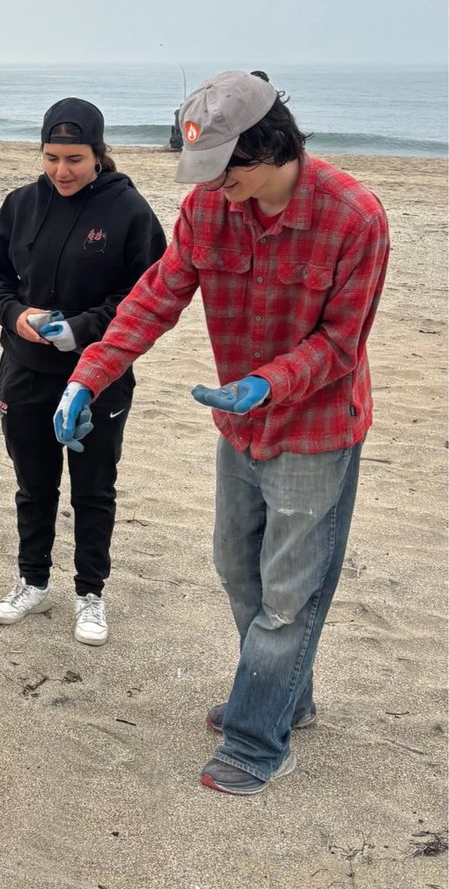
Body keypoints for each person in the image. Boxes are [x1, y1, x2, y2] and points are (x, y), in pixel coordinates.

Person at [54, 70, 389, 793]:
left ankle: (257, 738)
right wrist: (90, 374)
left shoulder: (355, 216)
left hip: (317, 426)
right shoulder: (209, 208)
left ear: (271, 147)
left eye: (226, 168)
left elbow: (341, 342)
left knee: (288, 593)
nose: (212, 185)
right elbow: (156, 296)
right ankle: (283, 698)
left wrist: (267, 382)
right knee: (237, 569)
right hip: (238, 429)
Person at [0, 98, 167, 645]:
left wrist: (83, 328)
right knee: (33, 483)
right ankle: (32, 581)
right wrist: (18, 316)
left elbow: (145, 296)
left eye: (75, 158)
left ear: (99, 155)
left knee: (93, 487)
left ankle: (90, 594)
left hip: (98, 373)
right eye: (51, 157)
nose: (62, 170)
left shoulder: (129, 211)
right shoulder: (19, 204)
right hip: (24, 369)